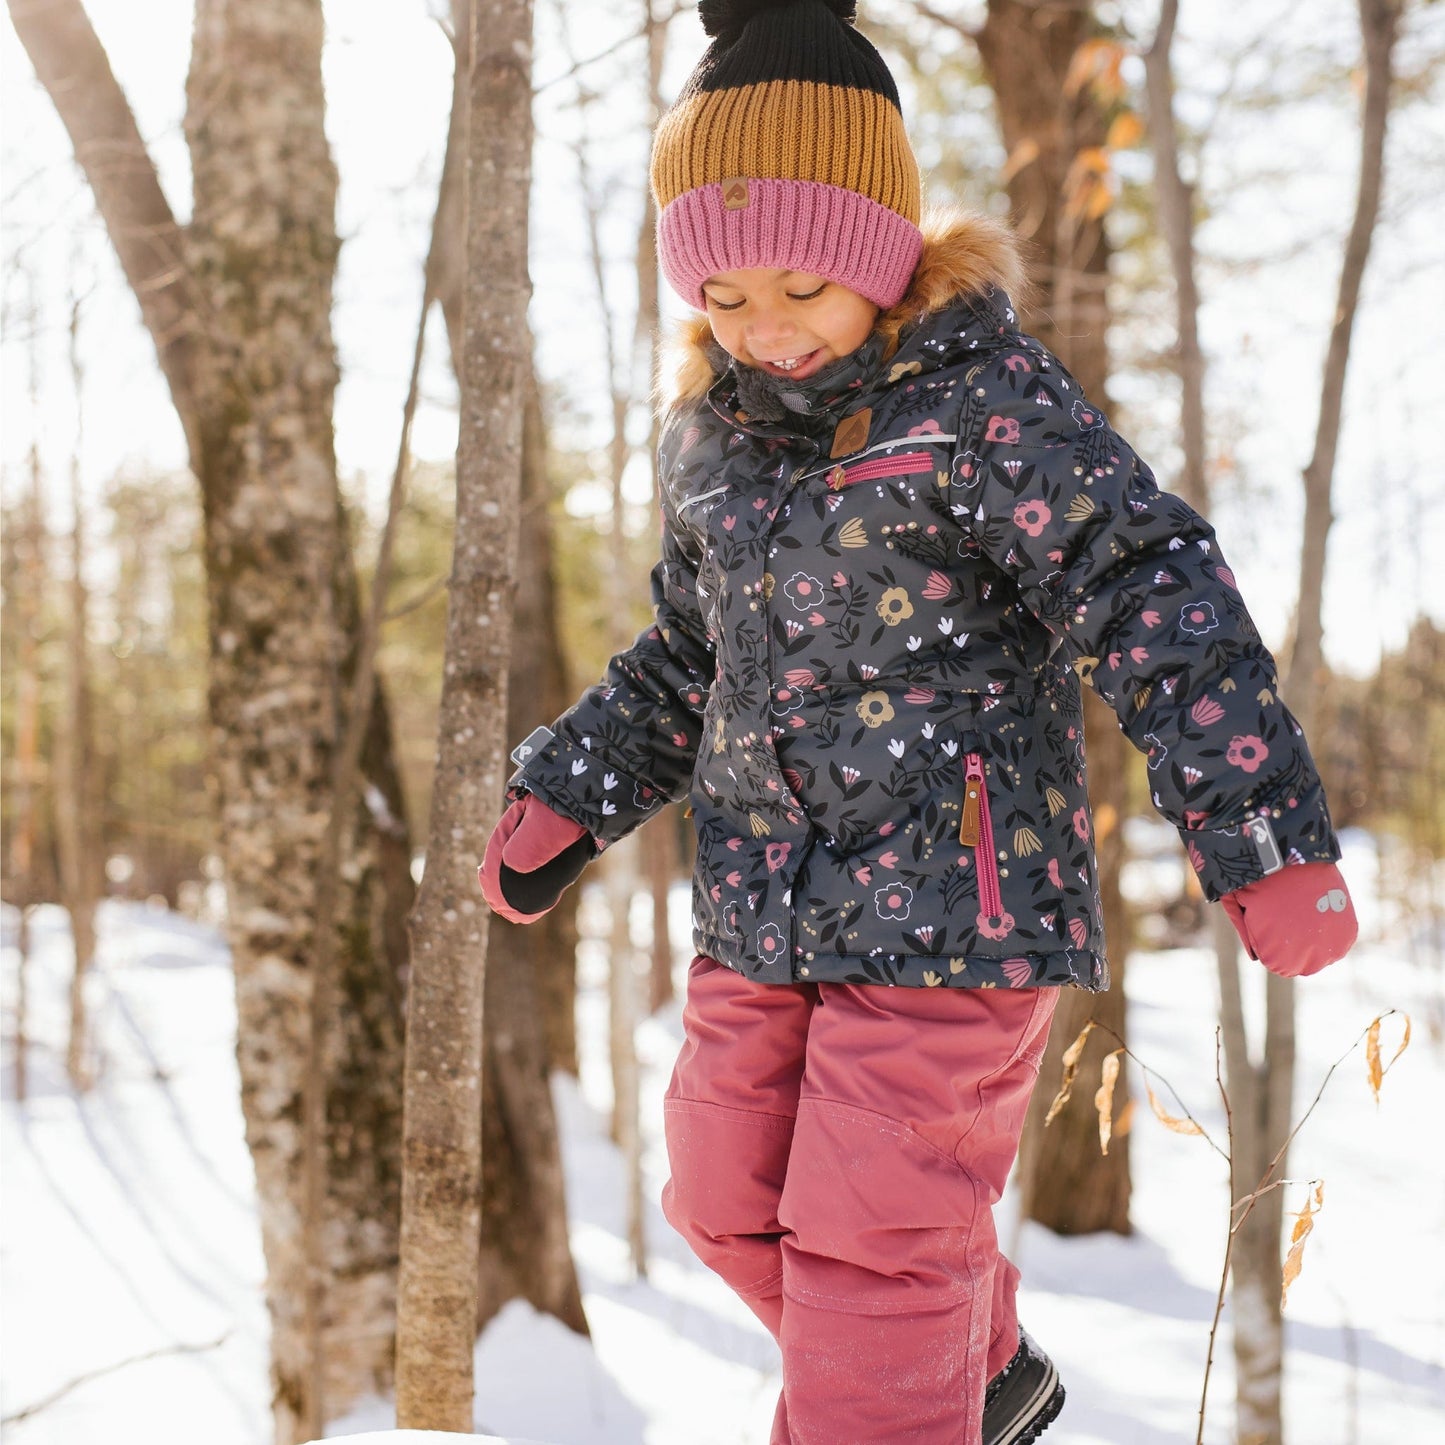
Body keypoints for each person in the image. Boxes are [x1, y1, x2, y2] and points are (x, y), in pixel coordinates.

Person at [479, 1, 1359, 1440]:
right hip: (761, 902)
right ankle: (982, 1369)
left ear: (885, 254)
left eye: (801, 288)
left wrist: (1256, 828)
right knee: (715, 1195)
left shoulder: (975, 398)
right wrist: (574, 787)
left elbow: (1144, 582)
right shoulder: (710, 436)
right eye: (724, 296)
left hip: (959, 906)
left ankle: (906, 1394)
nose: (761, 328)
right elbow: (691, 651)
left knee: (870, 1254)